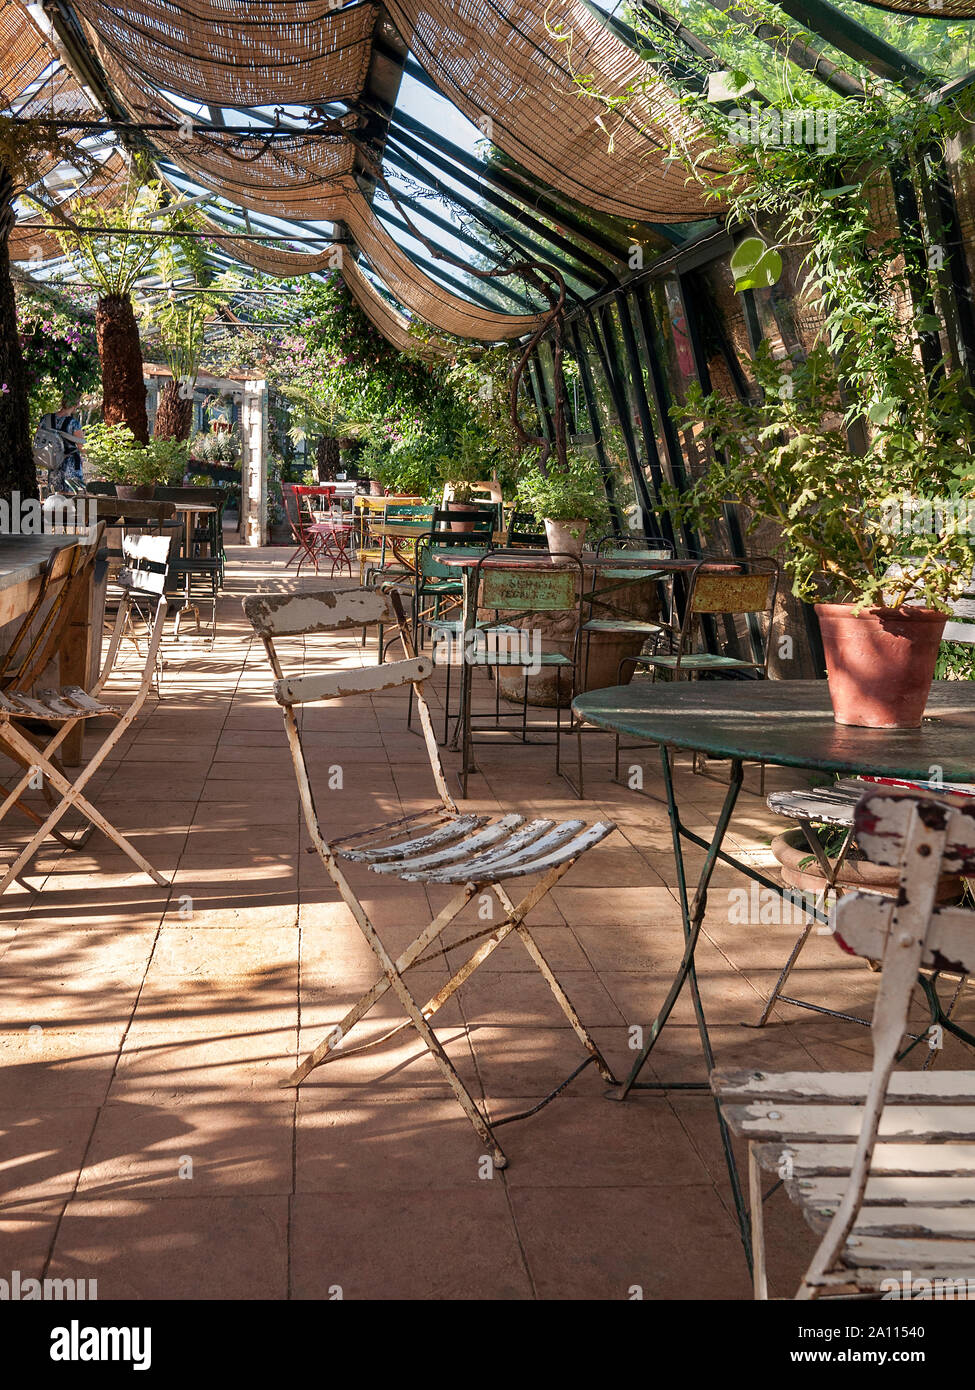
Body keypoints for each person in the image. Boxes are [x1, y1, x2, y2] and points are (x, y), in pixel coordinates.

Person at [39, 400, 85, 489]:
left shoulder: (46, 419)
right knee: (72, 496)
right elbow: (82, 447)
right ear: (75, 404)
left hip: (53, 462)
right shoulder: (74, 423)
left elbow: (38, 437)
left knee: (56, 495)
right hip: (71, 463)